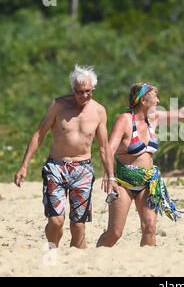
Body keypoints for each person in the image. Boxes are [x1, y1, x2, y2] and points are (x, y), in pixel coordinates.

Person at [96, 83, 184, 247]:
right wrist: (110, 177)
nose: (158, 101)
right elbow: (109, 149)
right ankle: (94, 257)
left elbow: (183, 114)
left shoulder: (153, 118)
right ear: (143, 100)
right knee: (115, 233)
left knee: (149, 227)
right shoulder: (125, 120)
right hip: (124, 183)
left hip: (148, 182)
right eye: (155, 98)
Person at [14, 65, 119, 249]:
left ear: (92, 89)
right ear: (73, 90)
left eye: (88, 91)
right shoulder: (58, 105)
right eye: (80, 92)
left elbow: (103, 147)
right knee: (56, 221)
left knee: (78, 225)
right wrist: (24, 165)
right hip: (56, 167)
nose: (84, 96)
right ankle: (52, 250)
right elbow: (39, 134)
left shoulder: (99, 111)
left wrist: (110, 176)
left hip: (83, 169)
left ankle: (75, 262)